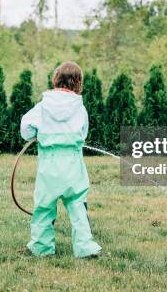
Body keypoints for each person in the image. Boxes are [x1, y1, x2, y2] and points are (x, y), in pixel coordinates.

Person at [20, 61, 102, 258]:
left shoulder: (42, 106)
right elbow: (83, 134)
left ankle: (41, 247)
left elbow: (25, 129)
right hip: (73, 165)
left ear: (55, 80)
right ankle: (84, 248)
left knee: (44, 207)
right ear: (78, 83)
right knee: (77, 206)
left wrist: (38, 134)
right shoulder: (79, 108)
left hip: (49, 166)